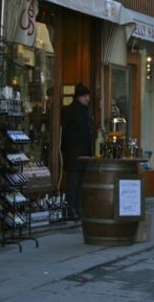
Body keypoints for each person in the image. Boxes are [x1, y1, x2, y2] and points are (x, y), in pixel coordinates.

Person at [61, 83, 93, 220]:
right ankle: (70, 209)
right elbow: (66, 133)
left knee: (79, 183)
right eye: (85, 96)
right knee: (73, 183)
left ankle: (77, 208)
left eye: (88, 96)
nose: (87, 99)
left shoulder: (85, 111)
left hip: (83, 152)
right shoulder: (70, 111)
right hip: (73, 152)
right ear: (78, 97)